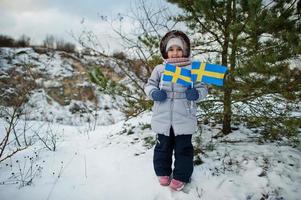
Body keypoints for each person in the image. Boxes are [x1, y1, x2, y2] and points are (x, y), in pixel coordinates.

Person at [144, 30, 208, 191]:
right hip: (163, 116)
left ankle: (181, 176)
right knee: (162, 147)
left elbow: (203, 88)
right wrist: (153, 92)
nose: (175, 53)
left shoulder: (193, 69)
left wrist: (197, 94)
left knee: (183, 149)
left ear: (185, 51)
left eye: (179, 49)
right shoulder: (160, 69)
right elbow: (149, 84)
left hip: (184, 116)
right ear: (166, 52)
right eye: (171, 49)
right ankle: (162, 172)